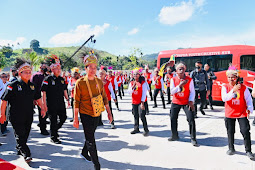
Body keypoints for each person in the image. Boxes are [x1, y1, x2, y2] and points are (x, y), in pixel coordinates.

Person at [0, 58, 46, 163]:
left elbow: (38, 98)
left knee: (25, 134)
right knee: (20, 134)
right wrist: (2, 115)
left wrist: (42, 108)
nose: (29, 74)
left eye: (30, 72)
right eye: (26, 72)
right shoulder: (13, 85)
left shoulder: (32, 86)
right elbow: (4, 100)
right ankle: (26, 154)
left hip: (29, 114)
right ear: (20, 73)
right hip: (16, 115)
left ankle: (20, 147)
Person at [73, 51, 113, 170]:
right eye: (90, 67)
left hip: (97, 112)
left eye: (95, 67)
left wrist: (109, 113)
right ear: (85, 68)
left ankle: (84, 152)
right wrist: (76, 118)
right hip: (85, 113)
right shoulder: (80, 83)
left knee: (90, 135)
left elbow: (105, 97)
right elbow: (76, 101)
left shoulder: (99, 82)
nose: (93, 69)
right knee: (91, 139)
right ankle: (97, 165)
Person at [221, 66, 254, 159]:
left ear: (237, 78)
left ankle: (248, 151)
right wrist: (233, 90)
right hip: (230, 113)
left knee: (245, 131)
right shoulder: (225, 86)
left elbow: (248, 99)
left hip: (241, 112)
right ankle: (231, 148)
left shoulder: (243, 87)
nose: (231, 79)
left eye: (233, 77)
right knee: (230, 131)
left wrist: (249, 108)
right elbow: (224, 98)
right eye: (229, 77)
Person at [41, 54, 70, 144]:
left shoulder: (62, 79)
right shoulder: (47, 79)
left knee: (63, 117)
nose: (59, 70)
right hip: (51, 103)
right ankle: (54, 137)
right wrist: (44, 105)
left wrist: (67, 99)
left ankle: (55, 129)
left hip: (61, 103)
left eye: (59, 68)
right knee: (53, 120)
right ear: (52, 69)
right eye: (56, 68)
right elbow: (43, 92)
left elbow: (64, 89)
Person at [168, 62, 197, 146]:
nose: (181, 70)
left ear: (185, 70)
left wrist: (191, 101)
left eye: (183, 69)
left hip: (186, 102)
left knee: (191, 119)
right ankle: (174, 135)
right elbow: (172, 91)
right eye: (179, 69)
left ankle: (193, 138)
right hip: (176, 101)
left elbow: (192, 91)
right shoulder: (173, 79)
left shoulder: (189, 79)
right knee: (173, 118)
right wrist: (179, 86)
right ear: (176, 71)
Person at [128, 68, 149, 136]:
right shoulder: (131, 82)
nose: (135, 75)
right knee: (135, 115)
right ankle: (136, 128)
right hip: (134, 101)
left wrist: (142, 103)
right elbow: (129, 92)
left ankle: (146, 129)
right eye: (134, 74)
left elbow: (144, 93)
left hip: (141, 101)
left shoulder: (143, 82)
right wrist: (133, 87)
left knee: (142, 115)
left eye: (137, 74)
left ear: (139, 75)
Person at [31, 61, 50, 135]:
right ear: (40, 67)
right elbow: (33, 87)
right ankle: (43, 128)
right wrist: (34, 98)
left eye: (46, 66)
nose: (45, 68)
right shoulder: (36, 75)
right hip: (39, 97)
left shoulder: (47, 76)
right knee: (42, 112)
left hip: (47, 97)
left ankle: (42, 123)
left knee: (47, 112)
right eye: (43, 66)